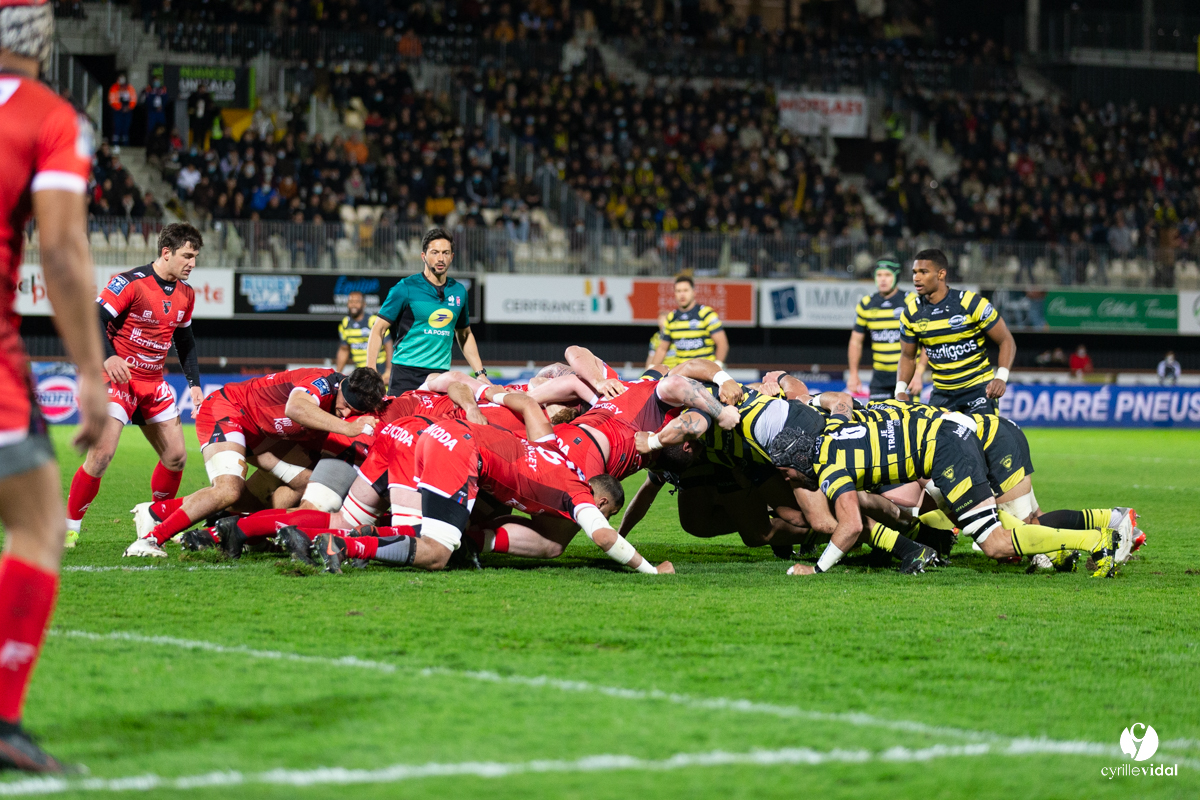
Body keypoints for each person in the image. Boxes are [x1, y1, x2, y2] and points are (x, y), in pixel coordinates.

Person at [0, 0, 109, 770]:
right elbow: (65, 255)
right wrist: (91, 374)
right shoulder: (50, 117)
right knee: (38, 521)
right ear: (42, 39)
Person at [768, 413, 1133, 578]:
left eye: (786, 470)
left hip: (945, 451)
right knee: (986, 526)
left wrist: (815, 569)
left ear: (800, 457)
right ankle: (1094, 534)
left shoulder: (830, 467)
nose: (786, 477)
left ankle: (1098, 539)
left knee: (995, 544)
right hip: (944, 437)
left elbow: (849, 527)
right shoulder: (830, 433)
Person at [123, 368, 386, 558]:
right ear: (344, 386)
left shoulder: (344, 406)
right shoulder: (324, 382)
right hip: (229, 410)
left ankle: (160, 513)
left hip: (262, 434)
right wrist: (349, 429)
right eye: (346, 405)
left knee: (306, 483)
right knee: (228, 490)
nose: (347, 413)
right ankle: (150, 540)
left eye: (356, 412)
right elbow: (294, 408)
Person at [65, 224, 205, 545]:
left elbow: (185, 341)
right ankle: (69, 526)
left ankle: (153, 522)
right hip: (117, 378)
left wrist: (194, 383)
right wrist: (109, 357)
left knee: (176, 457)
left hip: (153, 383)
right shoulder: (130, 282)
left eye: (195, 257)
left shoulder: (187, 294)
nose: (192, 264)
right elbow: (94, 318)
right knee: (101, 455)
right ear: (166, 253)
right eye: (187, 256)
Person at [366, 228, 488, 395]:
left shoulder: (459, 291)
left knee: (437, 422)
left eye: (446, 253)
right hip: (405, 374)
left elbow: (464, 334)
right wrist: (371, 371)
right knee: (400, 422)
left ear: (452, 257)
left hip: (440, 376)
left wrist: (480, 374)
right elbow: (378, 328)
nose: (440, 258)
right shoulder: (405, 288)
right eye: (435, 252)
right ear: (423, 256)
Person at [895, 249, 1016, 414]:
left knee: (978, 436)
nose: (917, 278)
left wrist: (1001, 378)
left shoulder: (971, 303)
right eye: (915, 272)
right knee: (935, 439)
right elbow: (908, 356)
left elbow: (1006, 340)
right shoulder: (911, 314)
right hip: (942, 394)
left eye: (924, 272)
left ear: (941, 274)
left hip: (978, 390)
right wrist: (900, 389)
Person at [846, 259, 927, 400]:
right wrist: (853, 374)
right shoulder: (866, 304)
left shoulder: (912, 302)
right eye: (879, 275)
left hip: (907, 375)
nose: (883, 279)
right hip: (880, 378)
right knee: (877, 420)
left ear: (896, 277)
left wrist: (918, 373)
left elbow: (927, 340)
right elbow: (855, 342)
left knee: (907, 420)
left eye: (887, 275)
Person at [650, 275, 728, 369]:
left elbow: (722, 343)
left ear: (694, 292)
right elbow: (662, 349)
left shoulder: (706, 314)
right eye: (678, 291)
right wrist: (651, 370)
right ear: (674, 293)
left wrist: (717, 367)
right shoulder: (671, 318)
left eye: (685, 290)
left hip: (705, 374)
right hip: (683, 375)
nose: (682, 294)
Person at [336, 290, 391, 384]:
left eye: (357, 302)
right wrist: (337, 373)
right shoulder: (345, 324)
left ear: (364, 304)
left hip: (379, 369)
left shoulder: (373, 321)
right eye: (351, 302)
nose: (353, 305)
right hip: (360, 372)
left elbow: (388, 345)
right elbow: (344, 349)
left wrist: (389, 370)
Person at [107, 72, 135, 145]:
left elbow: (133, 99)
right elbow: (112, 100)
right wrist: (120, 107)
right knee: (117, 127)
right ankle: (115, 144)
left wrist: (129, 107)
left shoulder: (129, 87)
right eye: (120, 78)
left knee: (126, 128)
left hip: (127, 111)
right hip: (117, 111)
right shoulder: (114, 87)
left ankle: (125, 144)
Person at [139, 76, 169, 142]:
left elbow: (166, 99)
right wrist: (154, 107)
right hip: (152, 112)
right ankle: (149, 142)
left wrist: (162, 106)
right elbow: (147, 100)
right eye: (155, 81)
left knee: (162, 128)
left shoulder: (163, 89)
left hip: (160, 112)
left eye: (158, 81)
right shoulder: (149, 89)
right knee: (151, 128)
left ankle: (162, 142)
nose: (157, 82)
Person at [186, 82, 213, 149]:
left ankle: (202, 149)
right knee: (195, 137)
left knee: (203, 137)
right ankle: (194, 150)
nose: (202, 90)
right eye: (201, 89)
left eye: (203, 89)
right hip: (196, 121)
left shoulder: (207, 98)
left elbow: (210, 108)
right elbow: (190, 108)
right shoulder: (193, 97)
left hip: (204, 122)